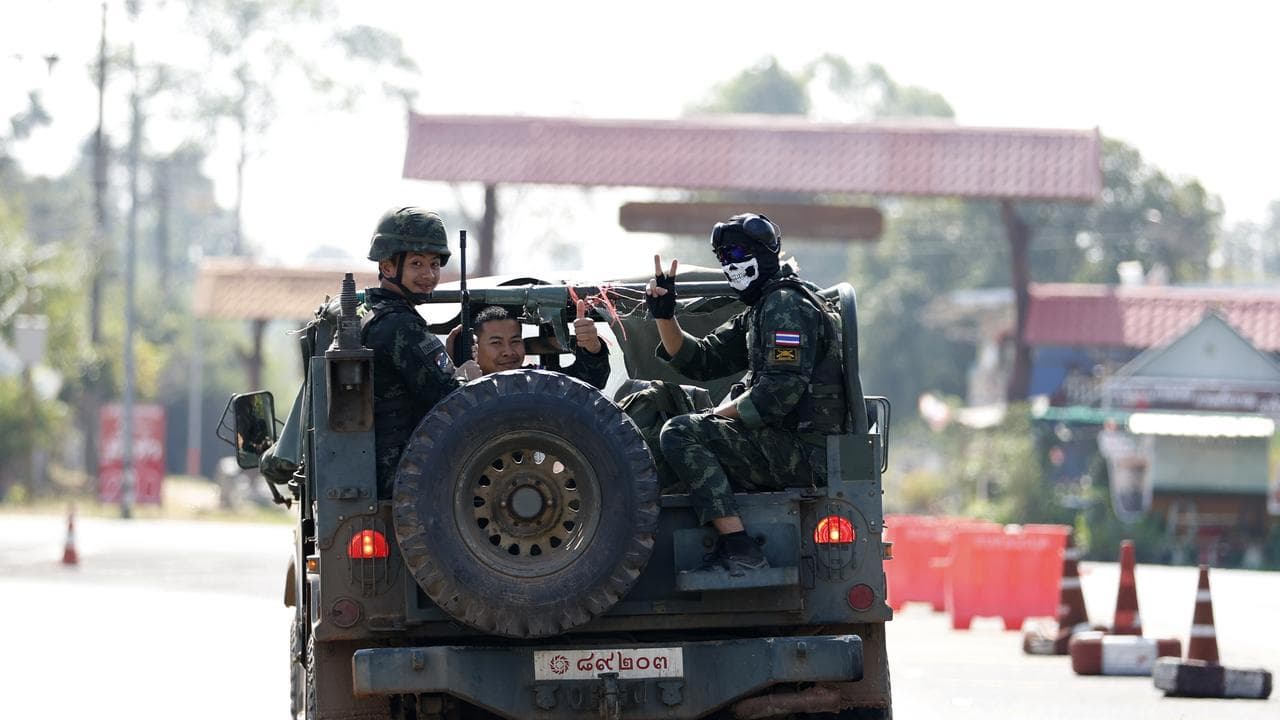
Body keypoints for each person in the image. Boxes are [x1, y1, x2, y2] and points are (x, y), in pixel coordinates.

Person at [645, 212, 847, 577]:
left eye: (737, 252)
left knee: (680, 431)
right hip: (781, 442)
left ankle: (739, 547)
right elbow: (702, 359)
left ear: (764, 251)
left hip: (804, 452)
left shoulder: (786, 305)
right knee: (664, 403)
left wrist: (712, 419)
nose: (730, 264)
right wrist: (664, 314)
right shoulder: (763, 308)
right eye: (723, 257)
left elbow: (778, 394)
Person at [363, 206, 477, 491]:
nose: (429, 274)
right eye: (416, 264)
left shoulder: (378, 314)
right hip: (406, 476)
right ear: (387, 266)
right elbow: (452, 400)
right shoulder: (399, 325)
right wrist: (467, 375)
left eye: (435, 264)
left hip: (394, 470)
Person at [451, 303, 611, 389]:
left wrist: (592, 347)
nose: (508, 351)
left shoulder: (537, 379)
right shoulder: (458, 388)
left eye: (515, 341)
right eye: (496, 343)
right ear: (474, 347)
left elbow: (588, 383)